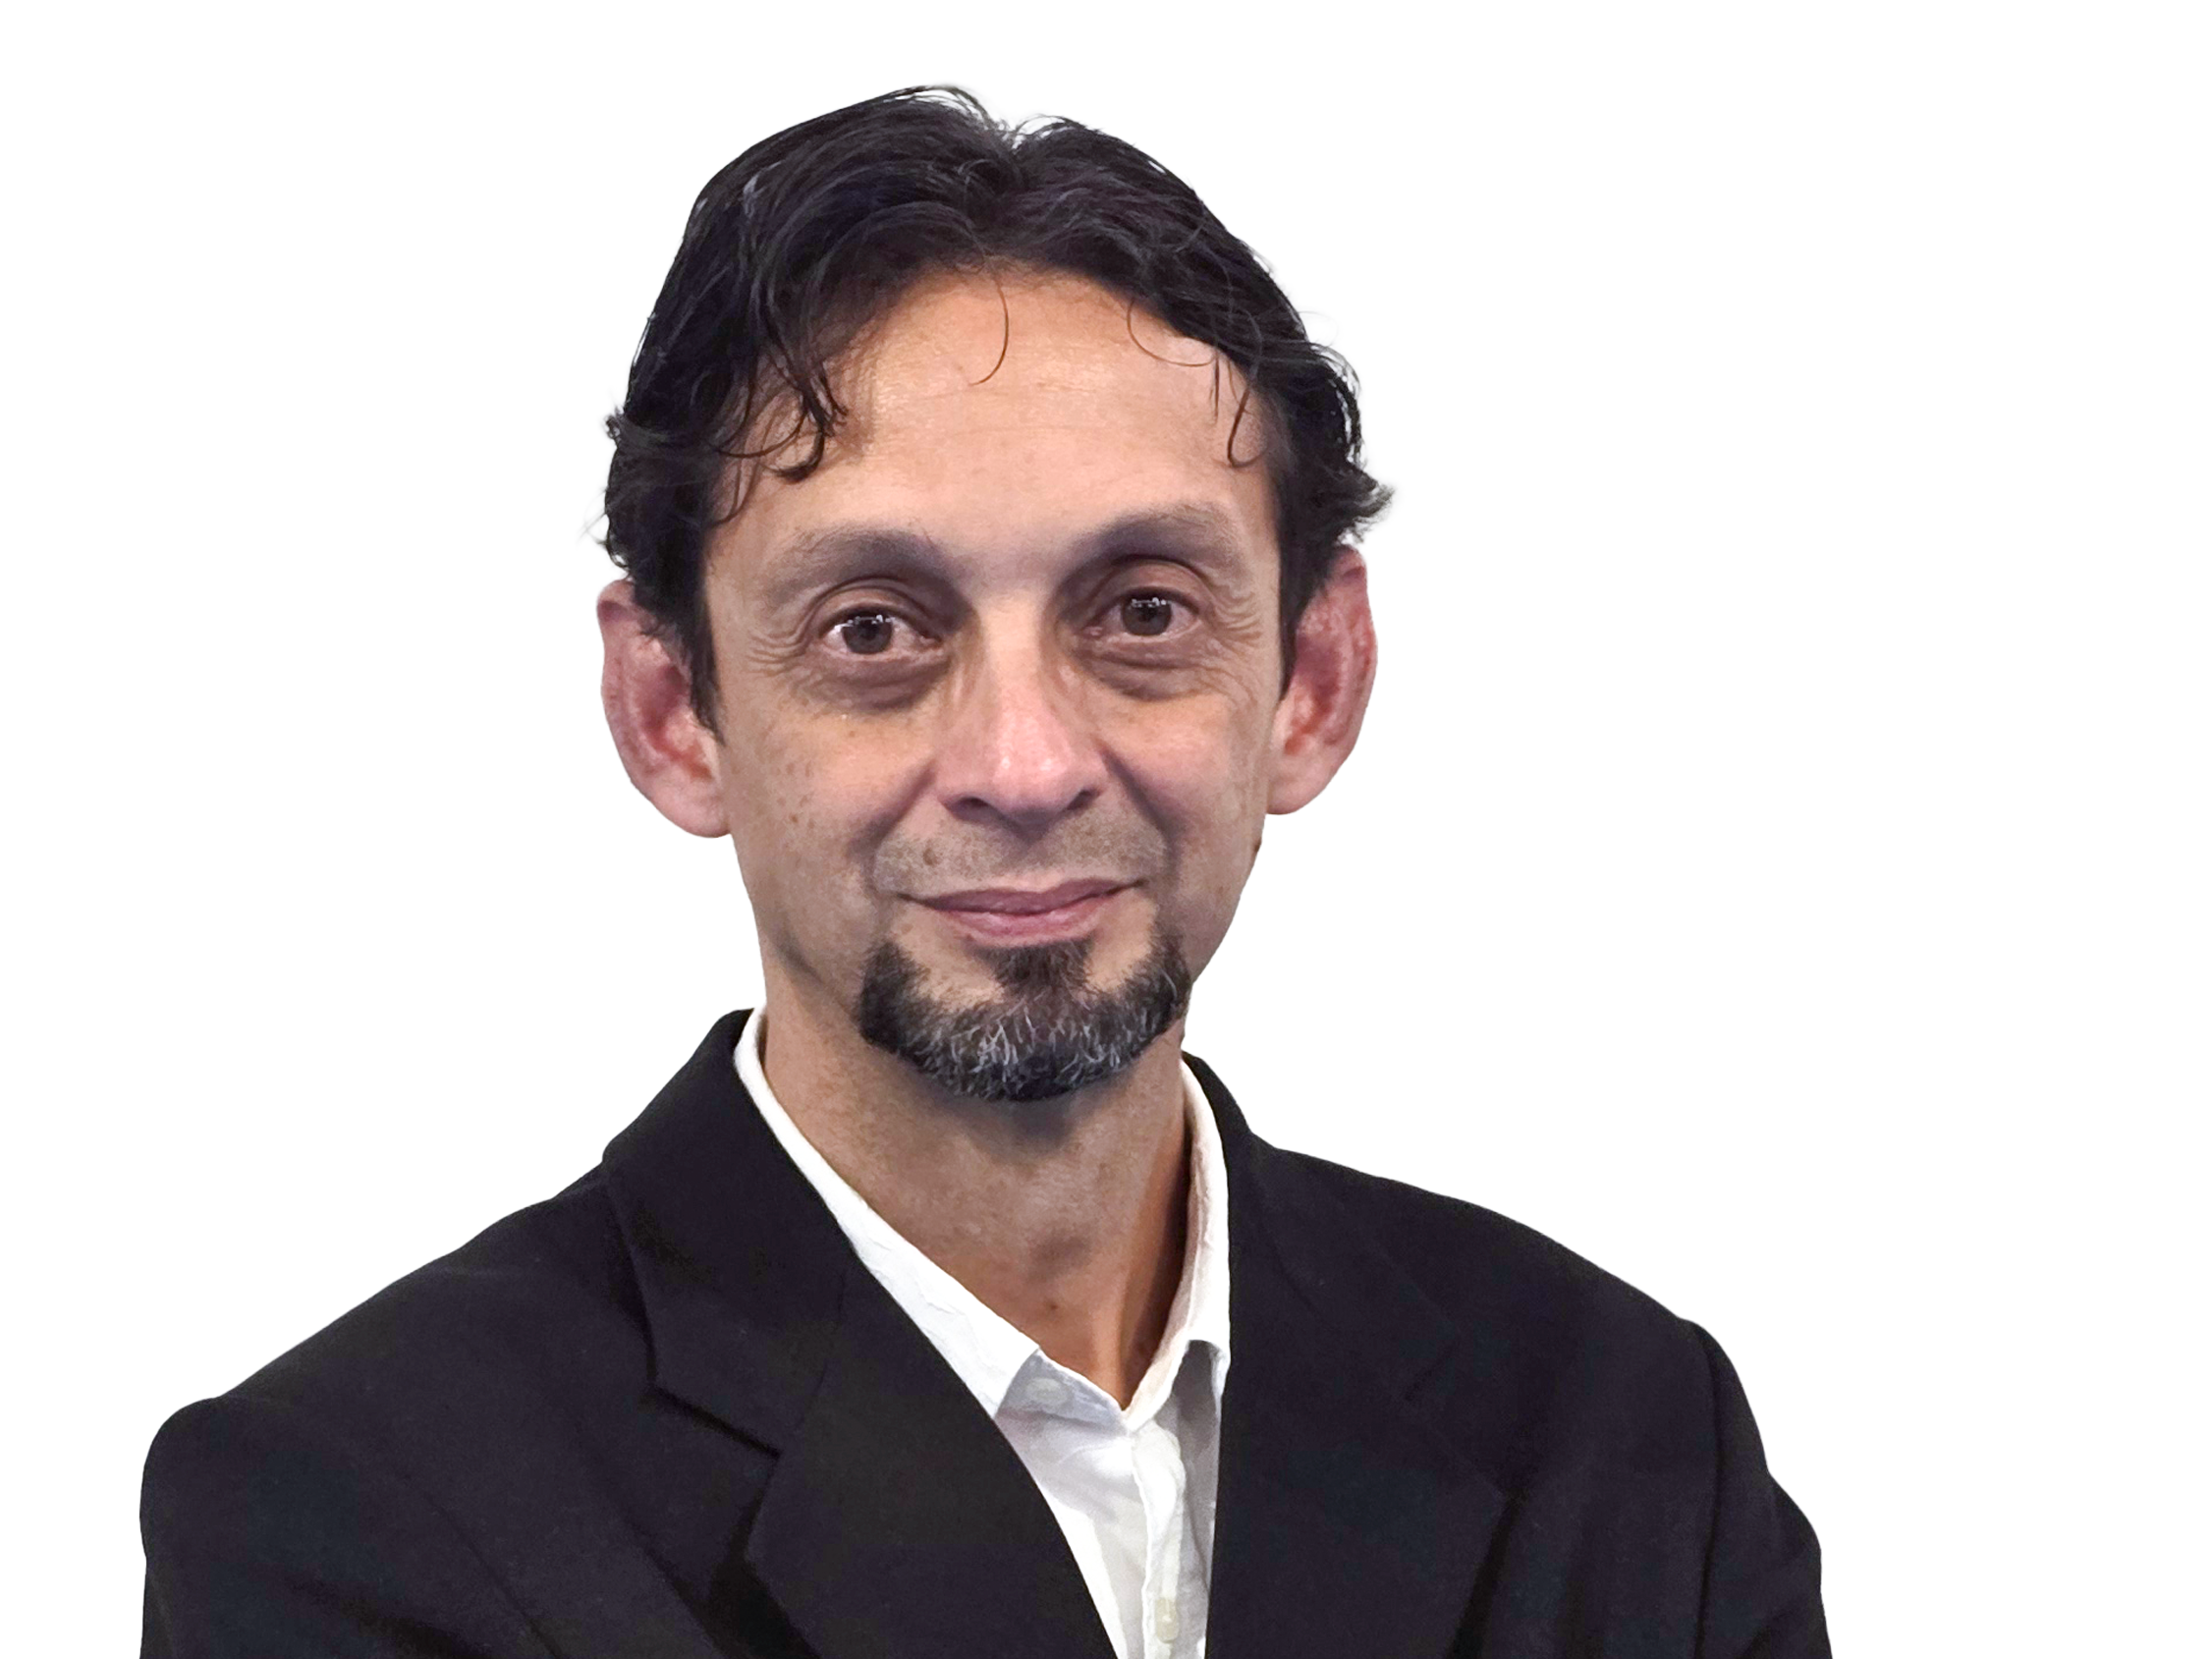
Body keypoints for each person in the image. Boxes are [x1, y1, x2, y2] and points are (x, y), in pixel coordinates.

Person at [138, 86, 1829, 1658]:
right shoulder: (352, 1519)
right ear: (672, 714)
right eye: (874, 630)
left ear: (1312, 684)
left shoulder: (1626, 1443)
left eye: (1143, 612)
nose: (1024, 766)